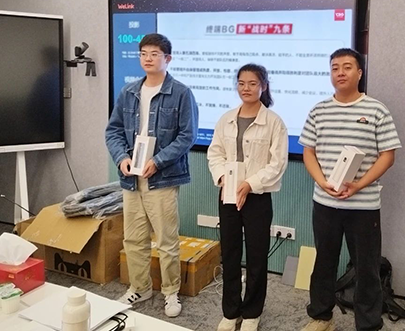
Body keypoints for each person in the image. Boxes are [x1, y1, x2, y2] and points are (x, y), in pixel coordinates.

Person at [299, 48, 401, 331]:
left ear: (359, 72)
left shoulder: (376, 110)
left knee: (366, 268)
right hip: (325, 203)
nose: (340, 73)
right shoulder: (319, 110)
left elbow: (388, 156)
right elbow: (308, 152)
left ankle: (368, 324)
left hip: (363, 205)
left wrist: (358, 185)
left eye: (346, 67)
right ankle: (321, 317)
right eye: (334, 68)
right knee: (324, 263)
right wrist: (322, 181)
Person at [105, 33, 198, 318]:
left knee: (167, 241)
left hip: (162, 177)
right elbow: (113, 131)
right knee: (134, 238)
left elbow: (187, 136)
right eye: (143, 53)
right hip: (131, 177)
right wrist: (121, 157)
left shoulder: (181, 92)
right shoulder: (129, 91)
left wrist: (157, 161)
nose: (148, 58)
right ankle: (140, 287)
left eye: (154, 54)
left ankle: (170, 292)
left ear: (167, 58)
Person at [208, 63, 288, 331]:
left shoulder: (274, 122)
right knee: (230, 254)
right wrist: (223, 179)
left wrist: (249, 184)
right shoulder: (226, 118)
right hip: (227, 194)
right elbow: (215, 153)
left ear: (263, 86)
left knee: (256, 257)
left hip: (257, 197)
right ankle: (230, 312)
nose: (246, 88)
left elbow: (277, 163)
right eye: (241, 83)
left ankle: (252, 312)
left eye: (253, 83)